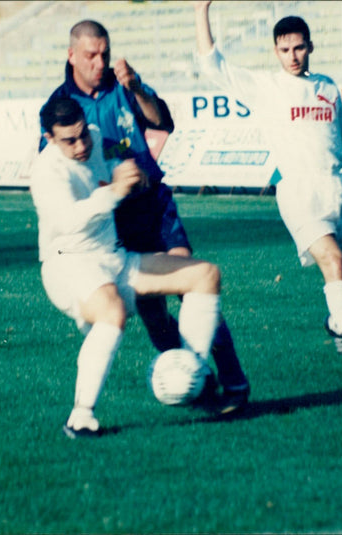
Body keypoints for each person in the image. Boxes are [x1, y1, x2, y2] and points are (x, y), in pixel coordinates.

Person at [193, 2, 342, 367]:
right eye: (284, 49)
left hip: (341, 188)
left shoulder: (327, 87)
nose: (292, 56)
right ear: (275, 51)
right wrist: (201, 9)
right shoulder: (265, 86)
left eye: (299, 47)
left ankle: (337, 323)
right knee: (332, 261)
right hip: (299, 192)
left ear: (310, 46)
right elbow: (211, 63)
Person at [40, 20, 250, 412]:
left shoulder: (124, 83)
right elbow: (58, 171)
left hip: (153, 207)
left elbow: (161, 121)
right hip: (113, 222)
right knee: (154, 312)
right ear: (71, 56)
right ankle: (193, 386)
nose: (100, 61)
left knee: (191, 282)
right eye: (90, 55)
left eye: (104, 52)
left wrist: (136, 87)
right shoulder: (59, 110)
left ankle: (233, 382)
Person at [31, 98, 229, 438]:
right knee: (113, 311)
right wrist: (115, 191)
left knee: (205, 275)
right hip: (67, 264)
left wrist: (130, 170)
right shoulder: (45, 172)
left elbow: (115, 155)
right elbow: (68, 221)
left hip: (113, 258)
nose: (81, 145)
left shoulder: (94, 138)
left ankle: (191, 372)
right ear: (49, 138)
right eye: (69, 140)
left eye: (83, 135)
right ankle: (80, 416)